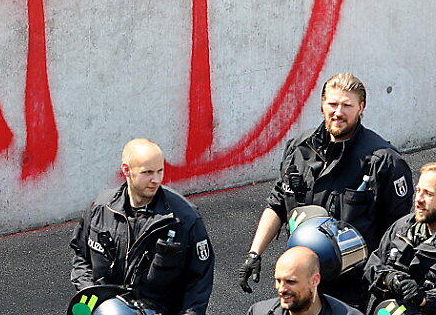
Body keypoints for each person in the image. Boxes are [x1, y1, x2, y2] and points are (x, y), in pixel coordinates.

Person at [238, 73, 412, 308]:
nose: (338, 112)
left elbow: (397, 231)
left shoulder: (383, 161)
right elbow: (278, 203)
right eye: (332, 104)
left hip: (349, 285)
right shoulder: (299, 148)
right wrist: (254, 253)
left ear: (361, 107)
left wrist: (386, 281)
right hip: (300, 279)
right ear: (322, 105)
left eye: (347, 105)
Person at [70, 138, 214, 315]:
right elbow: (81, 256)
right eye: (148, 172)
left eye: (160, 171)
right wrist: (92, 296)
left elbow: (199, 280)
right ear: (126, 170)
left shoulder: (183, 218)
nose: (156, 179)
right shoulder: (100, 209)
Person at [363, 163, 436, 314]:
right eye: (418, 191)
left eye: (428, 194)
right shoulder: (403, 227)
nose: (419, 200)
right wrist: (388, 278)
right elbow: (372, 266)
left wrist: (424, 299)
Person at [247, 246, 363, 315]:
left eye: (291, 282)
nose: (281, 289)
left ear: (315, 280)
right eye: (278, 280)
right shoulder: (259, 312)